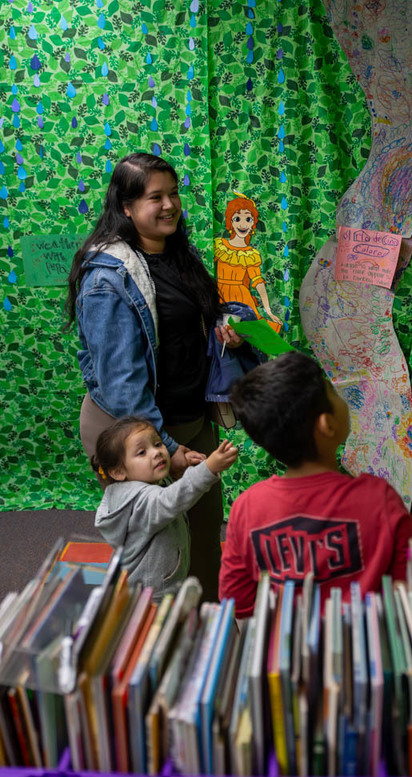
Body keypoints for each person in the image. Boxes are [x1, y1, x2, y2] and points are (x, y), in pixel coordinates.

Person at [65, 152, 240, 601]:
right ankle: (155, 638)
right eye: (155, 197)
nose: (169, 205)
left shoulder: (177, 255)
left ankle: (202, 628)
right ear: (125, 207)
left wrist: (225, 329)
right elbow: (122, 383)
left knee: (201, 537)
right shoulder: (109, 276)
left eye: (174, 194)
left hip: (187, 419)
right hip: (136, 431)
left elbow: (191, 321)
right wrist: (165, 447)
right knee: (159, 551)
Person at [218, 351, 412, 617]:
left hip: (287, 657)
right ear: (327, 425)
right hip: (370, 653)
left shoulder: (246, 508)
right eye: (332, 391)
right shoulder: (379, 499)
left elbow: (237, 602)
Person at [93, 416, 238, 601]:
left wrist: (185, 464)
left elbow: (169, 491)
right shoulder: (140, 502)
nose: (156, 453)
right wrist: (208, 469)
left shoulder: (144, 481)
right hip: (152, 594)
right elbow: (170, 499)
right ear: (118, 472)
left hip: (158, 584)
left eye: (157, 444)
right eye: (141, 452)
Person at [213, 193, 282, 333]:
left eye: (248, 219)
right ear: (230, 222)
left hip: (242, 298)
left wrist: (268, 311)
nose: (243, 224)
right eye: (237, 218)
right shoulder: (220, 246)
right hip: (219, 294)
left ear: (253, 223)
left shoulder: (250, 254)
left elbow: (258, 282)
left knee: (246, 336)